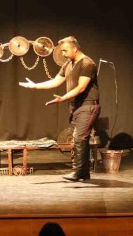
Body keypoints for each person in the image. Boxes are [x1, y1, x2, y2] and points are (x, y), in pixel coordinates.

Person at [19, 36, 100, 182]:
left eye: (65, 50)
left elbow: (81, 88)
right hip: (76, 106)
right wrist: (35, 86)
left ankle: (78, 172)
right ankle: (84, 173)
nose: (63, 54)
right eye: (62, 51)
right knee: (80, 139)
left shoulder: (87, 64)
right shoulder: (68, 64)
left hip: (88, 105)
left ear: (75, 48)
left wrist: (63, 98)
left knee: (79, 138)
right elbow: (56, 81)